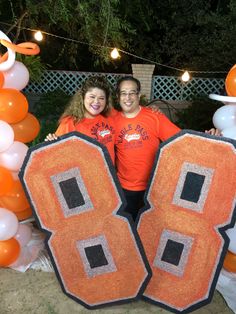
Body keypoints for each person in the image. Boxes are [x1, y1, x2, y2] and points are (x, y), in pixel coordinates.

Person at [114, 76, 220, 222]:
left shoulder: (154, 116)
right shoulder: (112, 120)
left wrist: (208, 138)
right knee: (126, 233)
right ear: (118, 96)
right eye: (124, 93)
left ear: (139, 95)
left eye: (132, 92)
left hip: (154, 188)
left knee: (151, 232)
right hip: (124, 189)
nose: (128, 97)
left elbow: (181, 141)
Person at [45, 76, 116, 163]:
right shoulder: (70, 122)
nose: (96, 102)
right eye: (92, 97)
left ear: (106, 101)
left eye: (101, 98)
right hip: (81, 175)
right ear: (83, 98)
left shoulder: (111, 118)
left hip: (108, 175)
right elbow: (56, 155)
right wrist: (51, 143)